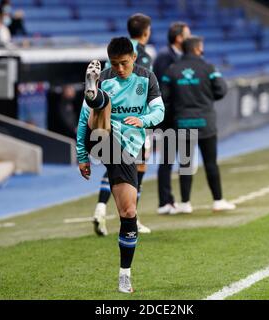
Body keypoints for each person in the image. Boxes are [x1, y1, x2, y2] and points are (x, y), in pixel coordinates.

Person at [77, 37, 164, 293]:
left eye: (124, 64)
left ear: (134, 58)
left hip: (127, 152)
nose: (120, 69)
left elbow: (159, 113)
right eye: (115, 64)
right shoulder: (105, 76)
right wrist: (82, 155)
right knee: (102, 104)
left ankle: (124, 276)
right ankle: (94, 95)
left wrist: (143, 120)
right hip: (101, 138)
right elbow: (84, 122)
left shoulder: (147, 78)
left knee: (128, 213)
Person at [93, 13, 153, 236]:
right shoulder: (140, 56)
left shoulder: (116, 53)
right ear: (147, 31)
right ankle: (132, 217)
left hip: (110, 120)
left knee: (115, 164)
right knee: (137, 167)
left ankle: (100, 207)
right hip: (133, 121)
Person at [161, 36, 235, 213]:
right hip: (205, 122)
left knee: (185, 164)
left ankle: (185, 204)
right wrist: (207, 99)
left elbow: (164, 97)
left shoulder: (171, 70)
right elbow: (222, 90)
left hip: (183, 122)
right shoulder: (208, 68)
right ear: (196, 49)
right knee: (211, 163)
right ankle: (218, 200)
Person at [153, 21, 191, 214]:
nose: (190, 38)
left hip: (184, 115)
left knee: (186, 158)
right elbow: (160, 88)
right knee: (167, 160)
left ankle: (183, 201)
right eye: (187, 34)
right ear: (178, 38)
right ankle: (164, 201)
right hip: (168, 117)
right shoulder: (164, 57)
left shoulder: (185, 56)